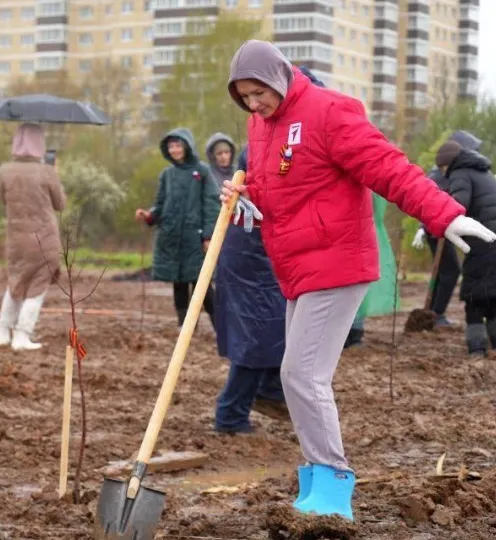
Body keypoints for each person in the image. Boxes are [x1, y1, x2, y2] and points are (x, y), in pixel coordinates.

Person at [221, 39, 495, 522]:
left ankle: (331, 482)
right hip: (298, 265)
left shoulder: (330, 112)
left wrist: (443, 214)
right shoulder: (261, 126)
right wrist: (245, 193)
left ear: (280, 77)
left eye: (259, 92)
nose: (253, 103)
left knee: (301, 375)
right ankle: (317, 476)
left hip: (337, 261)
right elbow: (281, 187)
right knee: (299, 374)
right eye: (244, 96)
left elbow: (387, 166)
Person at [209, 134, 288, 434]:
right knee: (259, 334)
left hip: (260, 250)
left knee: (273, 328)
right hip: (250, 252)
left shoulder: (278, 143)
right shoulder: (273, 147)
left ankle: (269, 388)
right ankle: (231, 414)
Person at [135, 128, 219, 329]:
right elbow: (161, 203)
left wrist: (208, 236)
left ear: (187, 146)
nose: (174, 150)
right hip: (172, 238)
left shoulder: (202, 171)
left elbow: (212, 205)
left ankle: (220, 327)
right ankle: (186, 328)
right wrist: (150, 215)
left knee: (202, 284)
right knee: (179, 284)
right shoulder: (167, 175)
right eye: (171, 146)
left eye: (178, 145)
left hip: (195, 239)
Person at [0, 123, 66, 351]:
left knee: (15, 282)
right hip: (43, 239)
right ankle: (22, 336)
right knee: (37, 285)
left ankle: (2, 332)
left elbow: (3, 201)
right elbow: (60, 204)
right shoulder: (46, 172)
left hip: (15, 239)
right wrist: (56, 173)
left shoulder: (4, 170)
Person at [412, 130, 483, 327]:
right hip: (438, 228)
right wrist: (423, 227)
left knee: (445, 271)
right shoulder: (443, 174)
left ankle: (433, 311)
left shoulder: (442, 172)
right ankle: (437, 313)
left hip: (437, 228)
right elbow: (430, 200)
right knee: (450, 271)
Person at [435, 141, 496, 355]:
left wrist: (440, 211)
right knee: (492, 295)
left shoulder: (460, 172)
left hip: (481, 242)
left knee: (473, 297)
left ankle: (477, 348)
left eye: (442, 169)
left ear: (447, 164)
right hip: (492, 238)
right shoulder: (483, 171)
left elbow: (459, 203)